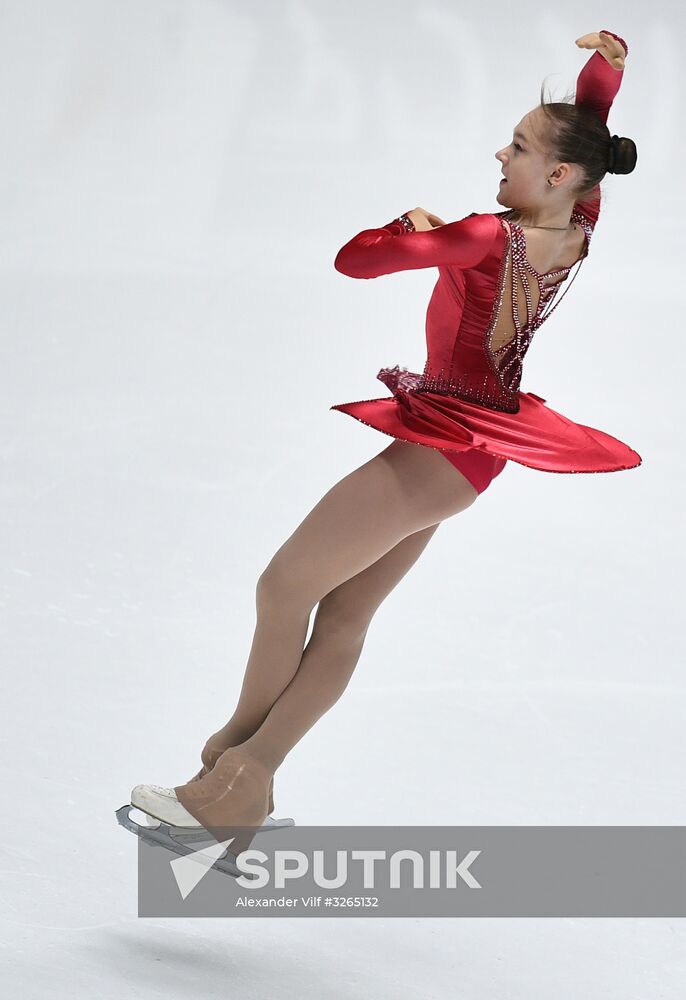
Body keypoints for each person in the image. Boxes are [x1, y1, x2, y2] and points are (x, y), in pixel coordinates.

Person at [129, 28, 640, 845]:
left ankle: (228, 769)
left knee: (283, 590)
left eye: (516, 146)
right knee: (341, 617)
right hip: (474, 451)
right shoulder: (580, 217)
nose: (498, 153)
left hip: (442, 447)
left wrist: (404, 226)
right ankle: (241, 781)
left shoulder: (484, 235)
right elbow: (590, 128)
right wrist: (605, 73)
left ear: (556, 172)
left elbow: (355, 262)